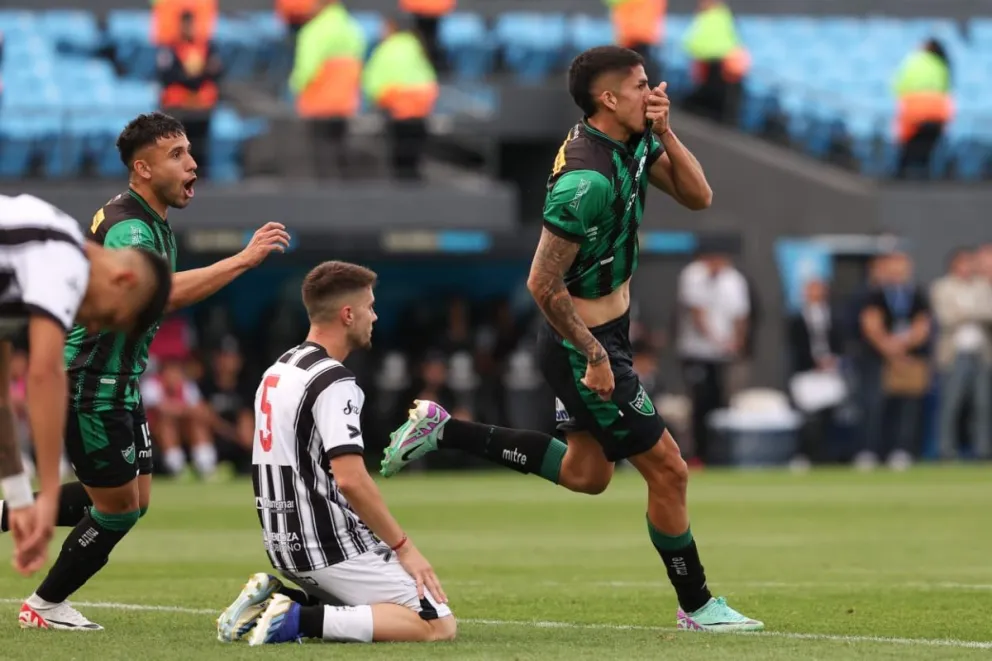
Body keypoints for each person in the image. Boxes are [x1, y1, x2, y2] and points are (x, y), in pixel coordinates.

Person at [380, 46, 763, 632]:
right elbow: (541, 282)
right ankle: (697, 605)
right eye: (640, 85)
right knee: (669, 469)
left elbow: (698, 196)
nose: (652, 92)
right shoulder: (585, 180)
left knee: (588, 474)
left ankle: (445, 429)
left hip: (606, 333)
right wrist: (594, 354)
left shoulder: (634, 138)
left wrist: (666, 131)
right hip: (583, 343)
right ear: (608, 99)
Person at [7, 111, 290, 632]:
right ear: (143, 168)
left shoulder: (150, 221)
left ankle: (9, 517)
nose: (192, 164)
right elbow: (158, 294)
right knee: (116, 510)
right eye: (177, 155)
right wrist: (242, 260)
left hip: (121, 382)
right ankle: (44, 605)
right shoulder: (131, 227)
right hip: (91, 384)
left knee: (133, 500)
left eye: (190, 151)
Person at [216, 261, 455, 646]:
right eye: (370, 307)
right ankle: (295, 618)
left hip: (281, 543)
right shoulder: (333, 380)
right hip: (326, 545)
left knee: (375, 607)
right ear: (347, 315)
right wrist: (405, 548)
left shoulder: (278, 369)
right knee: (437, 623)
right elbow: (350, 479)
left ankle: (275, 601)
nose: (374, 317)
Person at [0, 193, 172, 578]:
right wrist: (46, 496)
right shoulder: (62, 259)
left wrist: (20, 497)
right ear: (123, 280)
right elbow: (45, 374)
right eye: (108, 317)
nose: (93, 326)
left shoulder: (30, 266)